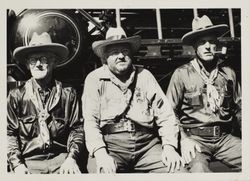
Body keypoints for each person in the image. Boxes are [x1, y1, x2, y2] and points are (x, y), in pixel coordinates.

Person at [82, 27, 186, 173]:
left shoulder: (145, 75)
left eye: (124, 51)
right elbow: (90, 121)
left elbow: (165, 115)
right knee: (101, 172)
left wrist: (169, 147)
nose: (120, 56)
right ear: (105, 58)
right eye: (114, 52)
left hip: (147, 146)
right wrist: (101, 153)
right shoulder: (94, 79)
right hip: (111, 146)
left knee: (178, 171)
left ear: (131, 54)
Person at [166, 15, 241, 172]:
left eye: (212, 42)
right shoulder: (182, 74)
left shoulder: (228, 74)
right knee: (199, 170)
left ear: (217, 44)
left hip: (224, 138)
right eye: (202, 42)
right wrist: (184, 140)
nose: (208, 46)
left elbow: (241, 109)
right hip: (195, 139)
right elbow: (169, 113)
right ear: (195, 47)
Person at [7, 32, 84, 174]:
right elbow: (8, 133)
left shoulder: (68, 93)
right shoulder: (16, 95)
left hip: (61, 160)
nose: (38, 64)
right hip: (28, 162)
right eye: (33, 60)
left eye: (43, 59)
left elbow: (77, 129)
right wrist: (17, 164)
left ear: (54, 62)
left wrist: (72, 158)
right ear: (27, 64)